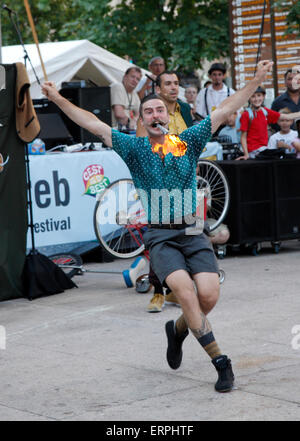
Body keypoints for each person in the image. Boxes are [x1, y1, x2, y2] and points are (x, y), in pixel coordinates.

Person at [41, 60, 275, 393]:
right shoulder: (134, 148)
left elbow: (223, 110)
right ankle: (221, 362)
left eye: (159, 111)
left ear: (169, 115)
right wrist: (58, 99)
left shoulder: (186, 142)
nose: (155, 116)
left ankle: (177, 331)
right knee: (186, 294)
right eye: (147, 112)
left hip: (193, 232)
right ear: (141, 120)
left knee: (208, 296)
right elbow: (93, 123)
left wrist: (256, 81)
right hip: (161, 237)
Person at [136, 71, 193, 312]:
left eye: (176, 83)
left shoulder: (184, 110)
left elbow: (190, 148)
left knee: (189, 232)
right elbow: (142, 150)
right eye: (168, 84)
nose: (173, 88)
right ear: (158, 89)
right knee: (159, 236)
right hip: (156, 183)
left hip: (183, 181)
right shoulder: (151, 113)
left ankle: (175, 291)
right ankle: (158, 291)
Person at [238, 86, 300, 160]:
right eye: (253, 96)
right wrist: (246, 154)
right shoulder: (246, 114)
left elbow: (284, 116)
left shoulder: (265, 111)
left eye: (259, 96)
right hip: (253, 150)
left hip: (264, 148)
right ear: (249, 98)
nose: (256, 99)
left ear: (263, 96)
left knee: (282, 154)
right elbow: (243, 137)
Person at [110, 67, 142, 131]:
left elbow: (140, 114)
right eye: (132, 77)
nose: (135, 80)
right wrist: (132, 123)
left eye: (138, 79)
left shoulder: (134, 93)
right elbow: (119, 114)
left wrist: (134, 120)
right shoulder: (118, 86)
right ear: (125, 76)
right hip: (114, 130)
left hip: (126, 129)